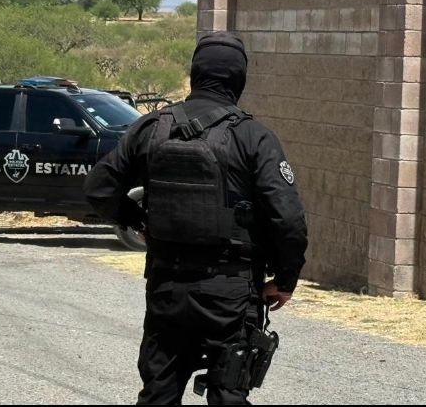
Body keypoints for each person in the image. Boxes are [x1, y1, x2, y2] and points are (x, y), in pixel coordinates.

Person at [84, 31, 308, 405]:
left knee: (159, 392)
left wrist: (139, 220)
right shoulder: (253, 137)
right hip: (231, 291)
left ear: (195, 74)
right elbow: (288, 219)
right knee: (228, 394)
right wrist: (285, 280)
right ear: (238, 79)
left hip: (167, 285)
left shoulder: (150, 127)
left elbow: (98, 189)